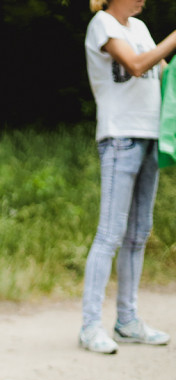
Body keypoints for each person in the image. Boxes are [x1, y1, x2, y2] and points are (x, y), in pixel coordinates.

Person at [80, 0, 176, 354]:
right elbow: (136, 65)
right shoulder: (103, 24)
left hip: (152, 136)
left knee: (138, 233)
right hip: (120, 136)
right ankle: (90, 327)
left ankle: (127, 322)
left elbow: (163, 72)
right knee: (110, 233)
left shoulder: (141, 29)